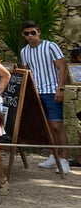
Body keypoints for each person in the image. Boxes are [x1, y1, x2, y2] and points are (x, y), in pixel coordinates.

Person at [19, 20, 71, 173]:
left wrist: (60, 88)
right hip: (36, 92)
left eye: (33, 32)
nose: (30, 36)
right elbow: (27, 71)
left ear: (38, 32)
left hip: (52, 90)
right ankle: (52, 156)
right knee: (46, 126)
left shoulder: (50, 46)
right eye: (27, 34)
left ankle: (64, 159)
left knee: (56, 125)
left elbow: (62, 67)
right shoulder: (24, 51)